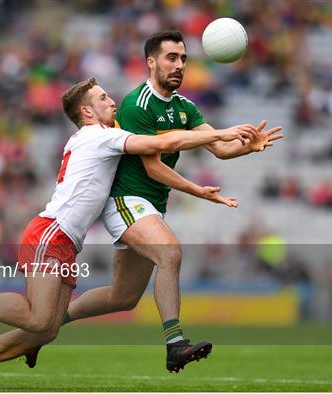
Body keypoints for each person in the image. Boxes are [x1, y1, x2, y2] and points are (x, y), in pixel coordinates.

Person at [0, 77, 254, 388]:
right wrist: (221, 133)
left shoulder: (94, 138)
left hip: (67, 241)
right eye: (103, 98)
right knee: (39, 321)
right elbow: (166, 142)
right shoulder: (99, 136)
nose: (112, 102)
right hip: (51, 233)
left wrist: (235, 148)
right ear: (86, 111)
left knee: (48, 329)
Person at [27, 30, 283, 373]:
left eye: (183, 60)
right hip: (125, 199)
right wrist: (196, 189)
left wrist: (246, 147)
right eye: (171, 58)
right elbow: (152, 167)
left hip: (149, 207)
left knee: (123, 297)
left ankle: (46, 329)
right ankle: (175, 343)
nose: (179, 66)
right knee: (170, 253)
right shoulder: (137, 104)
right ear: (151, 62)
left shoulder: (185, 107)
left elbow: (219, 148)